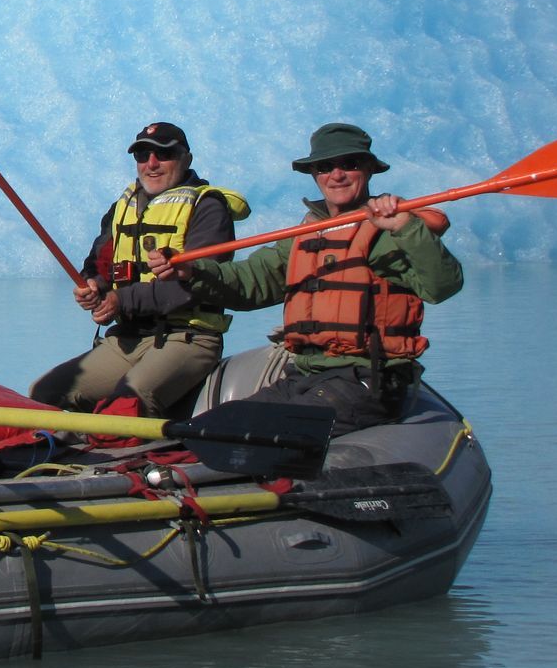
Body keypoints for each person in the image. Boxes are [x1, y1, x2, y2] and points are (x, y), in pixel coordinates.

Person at [149, 122, 464, 435]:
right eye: (325, 167)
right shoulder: (306, 233)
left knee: (248, 431)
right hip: (307, 376)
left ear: (368, 169)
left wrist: (406, 228)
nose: (336, 175)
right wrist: (191, 272)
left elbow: (442, 286)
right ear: (314, 174)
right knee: (212, 427)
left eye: (349, 164)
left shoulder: (388, 232)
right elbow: (249, 281)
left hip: (368, 381)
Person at [29, 121, 249, 418]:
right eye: (142, 156)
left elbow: (192, 286)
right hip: (128, 337)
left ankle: (140, 455)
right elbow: (99, 263)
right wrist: (93, 287)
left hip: (186, 338)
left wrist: (120, 301)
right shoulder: (123, 206)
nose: (152, 164)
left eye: (164, 154)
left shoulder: (206, 208)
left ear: (186, 159)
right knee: (44, 393)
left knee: (126, 406)